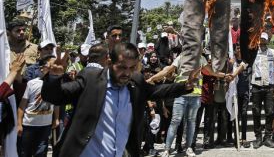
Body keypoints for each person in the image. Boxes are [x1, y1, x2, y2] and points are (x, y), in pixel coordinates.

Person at [40, 43, 200, 157]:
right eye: (122, 67)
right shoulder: (91, 78)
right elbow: (55, 97)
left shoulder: (135, 82)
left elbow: (156, 91)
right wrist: (54, 77)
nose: (126, 73)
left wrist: (184, 86)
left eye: (131, 68)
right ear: (109, 63)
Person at [17, 54, 59, 157]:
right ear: (42, 68)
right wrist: (19, 124)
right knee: (25, 152)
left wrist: (56, 119)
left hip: (45, 126)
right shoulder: (32, 84)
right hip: (29, 125)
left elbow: (56, 104)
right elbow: (22, 106)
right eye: (52, 65)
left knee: (41, 152)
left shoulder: (57, 84)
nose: (55, 67)